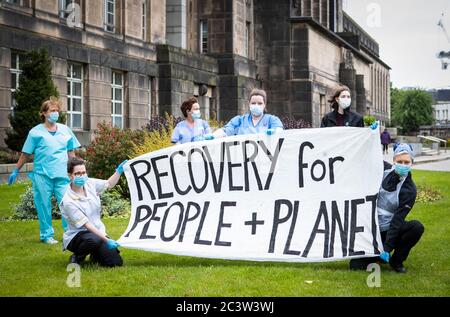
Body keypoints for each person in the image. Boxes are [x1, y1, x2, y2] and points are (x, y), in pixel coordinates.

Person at [8, 96, 81, 244]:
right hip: (43, 174)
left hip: (62, 174)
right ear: (43, 113)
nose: (56, 113)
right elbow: (26, 153)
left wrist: (76, 171)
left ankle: (71, 232)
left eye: (57, 110)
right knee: (43, 205)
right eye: (52, 110)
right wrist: (16, 169)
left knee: (67, 204)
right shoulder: (35, 132)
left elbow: (71, 153)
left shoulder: (65, 130)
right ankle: (47, 235)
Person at [349, 143, 424, 273]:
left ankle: (397, 260)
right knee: (355, 265)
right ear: (394, 161)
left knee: (416, 227)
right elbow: (369, 156)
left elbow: (397, 221)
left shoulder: (409, 190)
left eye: (407, 162)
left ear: (412, 163)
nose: (403, 164)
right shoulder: (383, 169)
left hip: (389, 229)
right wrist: (369, 133)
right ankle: (378, 257)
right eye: (400, 161)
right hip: (371, 229)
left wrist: (387, 248)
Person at [60, 157, 127, 267]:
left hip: (97, 232)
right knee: (93, 239)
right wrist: (106, 240)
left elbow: (109, 184)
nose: (82, 176)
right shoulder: (68, 201)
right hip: (78, 236)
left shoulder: (90, 183)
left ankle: (95, 254)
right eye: (77, 173)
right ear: (70, 175)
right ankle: (77, 256)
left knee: (115, 262)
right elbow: (87, 225)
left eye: (84, 172)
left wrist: (119, 171)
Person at [213, 88, 283, 137]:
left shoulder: (272, 120)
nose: (256, 105)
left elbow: (279, 131)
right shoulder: (239, 120)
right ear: (249, 104)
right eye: (253, 103)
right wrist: (212, 136)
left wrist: (274, 132)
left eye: (259, 103)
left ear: (264, 105)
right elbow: (226, 131)